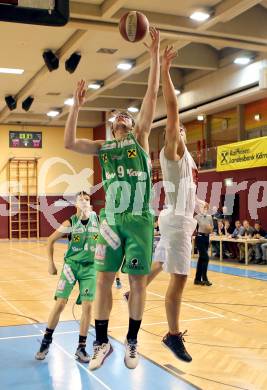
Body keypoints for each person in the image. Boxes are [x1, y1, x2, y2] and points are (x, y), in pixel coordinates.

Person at [64, 27, 160, 370]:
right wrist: (77, 106)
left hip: (139, 220)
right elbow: (70, 143)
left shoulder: (141, 138)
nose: (120, 119)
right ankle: (102, 343)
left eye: (125, 117)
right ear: (111, 126)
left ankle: (132, 341)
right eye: (116, 118)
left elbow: (151, 96)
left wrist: (152, 56)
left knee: (136, 282)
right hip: (111, 221)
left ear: (131, 124)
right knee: (103, 278)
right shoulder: (104, 148)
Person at [149, 45, 199, 363]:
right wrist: (165, 70)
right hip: (178, 219)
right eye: (174, 128)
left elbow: (186, 188)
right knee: (179, 279)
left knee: (162, 262)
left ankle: (133, 289)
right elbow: (171, 107)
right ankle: (171, 334)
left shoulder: (186, 157)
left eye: (181, 128)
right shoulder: (172, 152)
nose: (178, 128)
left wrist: (198, 201)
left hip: (177, 215)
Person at [35, 192, 99, 362]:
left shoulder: (97, 220)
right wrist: (51, 264)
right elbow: (50, 240)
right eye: (81, 199)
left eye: (87, 199)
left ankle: (81, 347)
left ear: (90, 203)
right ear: (76, 204)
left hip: (90, 268)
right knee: (61, 303)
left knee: (88, 306)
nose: (84, 202)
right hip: (71, 266)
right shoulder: (70, 223)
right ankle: (46, 340)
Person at [194, 203, 213, 286]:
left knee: (201, 258)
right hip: (200, 237)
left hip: (206, 238)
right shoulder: (197, 217)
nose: (205, 209)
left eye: (206, 207)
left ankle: (197, 279)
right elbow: (202, 225)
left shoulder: (210, 217)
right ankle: (204, 278)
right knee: (206, 258)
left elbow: (211, 228)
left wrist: (210, 229)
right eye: (203, 207)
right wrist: (207, 227)